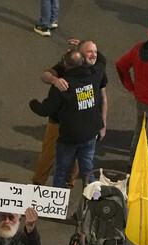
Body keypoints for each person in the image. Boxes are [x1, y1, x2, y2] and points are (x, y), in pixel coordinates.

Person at [31, 40, 109, 186]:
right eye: (89, 52)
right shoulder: (73, 68)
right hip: (61, 124)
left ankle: (66, 188)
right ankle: (38, 184)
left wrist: (103, 123)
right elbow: (45, 75)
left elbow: (103, 97)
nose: (93, 55)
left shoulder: (95, 71)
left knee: (69, 167)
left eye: (95, 52)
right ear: (80, 55)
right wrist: (55, 80)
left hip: (79, 129)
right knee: (50, 155)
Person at [116, 22, 148, 164]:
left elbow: (120, 65)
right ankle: (142, 171)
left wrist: (130, 86)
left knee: (139, 133)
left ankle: (132, 163)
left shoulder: (138, 48)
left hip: (141, 100)